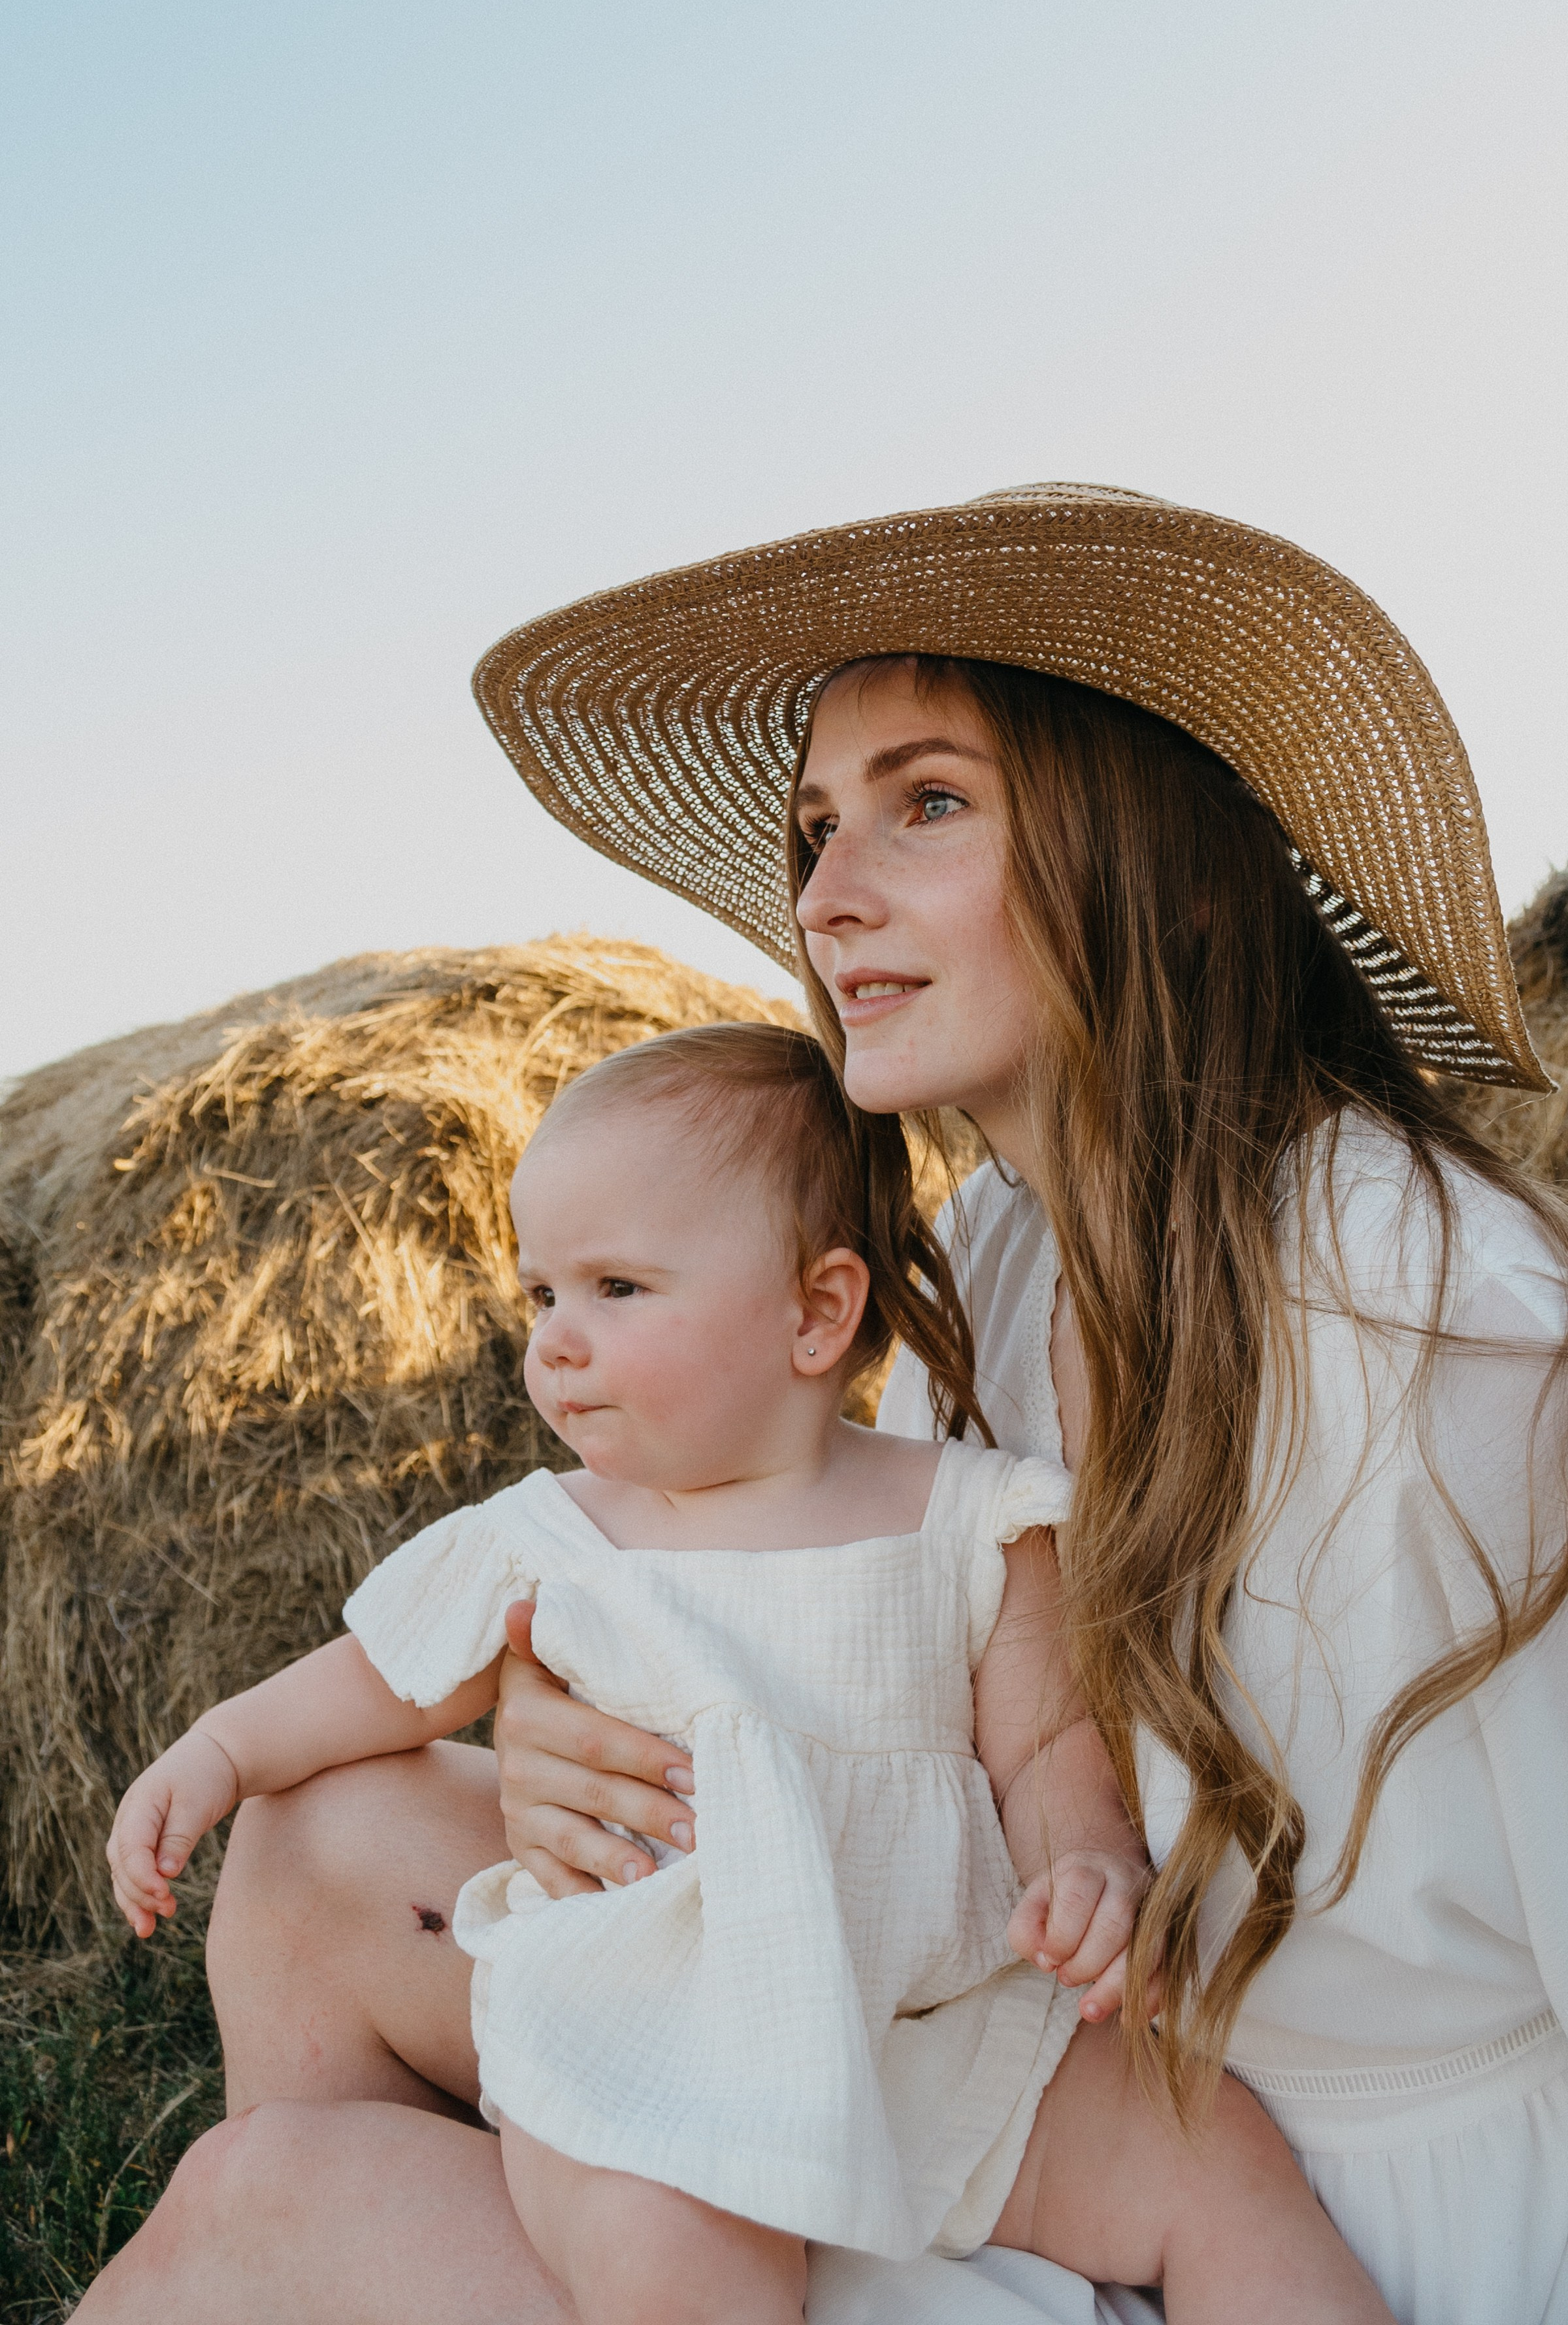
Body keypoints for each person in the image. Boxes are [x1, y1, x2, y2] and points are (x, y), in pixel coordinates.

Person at [80, 486, 1568, 2325]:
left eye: (927, 803)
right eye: (814, 829)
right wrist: (576, 1703)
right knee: (306, 1860)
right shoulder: (1004, 1255)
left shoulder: (1438, 1326)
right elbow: (898, 1640)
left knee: (265, 2210)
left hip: (1303, 2213)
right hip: (1001, 2032)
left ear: (1163, 857)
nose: (825, 893)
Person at [101, 1021, 1388, 2325]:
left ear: (817, 1312)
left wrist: (1087, 1862)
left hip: (934, 2035)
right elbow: (383, 1682)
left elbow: (1044, 1748)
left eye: (618, 1289)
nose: (557, 1339)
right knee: (680, 2266)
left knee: (1209, 2146)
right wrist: (219, 1750)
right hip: (654, 2048)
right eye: (543, 1293)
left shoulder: (972, 1518)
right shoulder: (555, 1538)